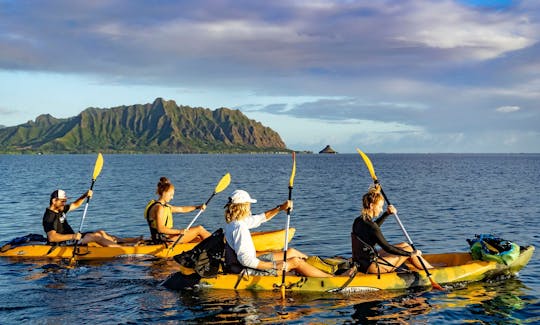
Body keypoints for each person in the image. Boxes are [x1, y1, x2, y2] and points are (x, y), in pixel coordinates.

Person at [223, 189, 331, 277]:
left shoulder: (235, 222)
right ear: (244, 207)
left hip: (251, 261)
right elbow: (245, 260)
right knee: (296, 262)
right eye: (249, 205)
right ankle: (332, 279)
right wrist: (274, 265)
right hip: (246, 269)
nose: (250, 207)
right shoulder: (239, 228)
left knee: (291, 252)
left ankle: (324, 268)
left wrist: (280, 208)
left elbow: (261, 218)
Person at [351, 185, 434, 274]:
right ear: (371, 206)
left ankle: (427, 266)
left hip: (361, 262)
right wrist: (410, 254)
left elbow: (372, 229)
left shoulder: (358, 220)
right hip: (371, 267)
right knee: (409, 250)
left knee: (404, 244)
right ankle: (432, 271)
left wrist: (387, 213)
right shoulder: (372, 226)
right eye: (380, 207)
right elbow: (388, 248)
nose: (381, 210)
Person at [43, 189, 138, 247]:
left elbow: (75, 204)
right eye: (62, 201)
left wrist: (85, 195)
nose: (64, 203)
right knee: (94, 236)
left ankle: (129, 242)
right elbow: (52, 237)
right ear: (54, 201)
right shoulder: (49, 217)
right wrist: (73, 236)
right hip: (63, 243)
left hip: (72, 238)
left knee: (101, 232)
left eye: (65, 201)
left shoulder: (60, 209)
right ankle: (121, 250)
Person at [145, 177, 211, 245]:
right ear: (164, 193)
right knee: (199, 229)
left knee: (198, 238)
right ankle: (219, 245)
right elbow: (161, 229)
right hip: (164, 241)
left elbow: (182, 209)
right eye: (171, 195)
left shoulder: (162, 206)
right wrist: (179, 231)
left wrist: (198, 207)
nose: (172, 197)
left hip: (165, 238)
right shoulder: (159, 208)